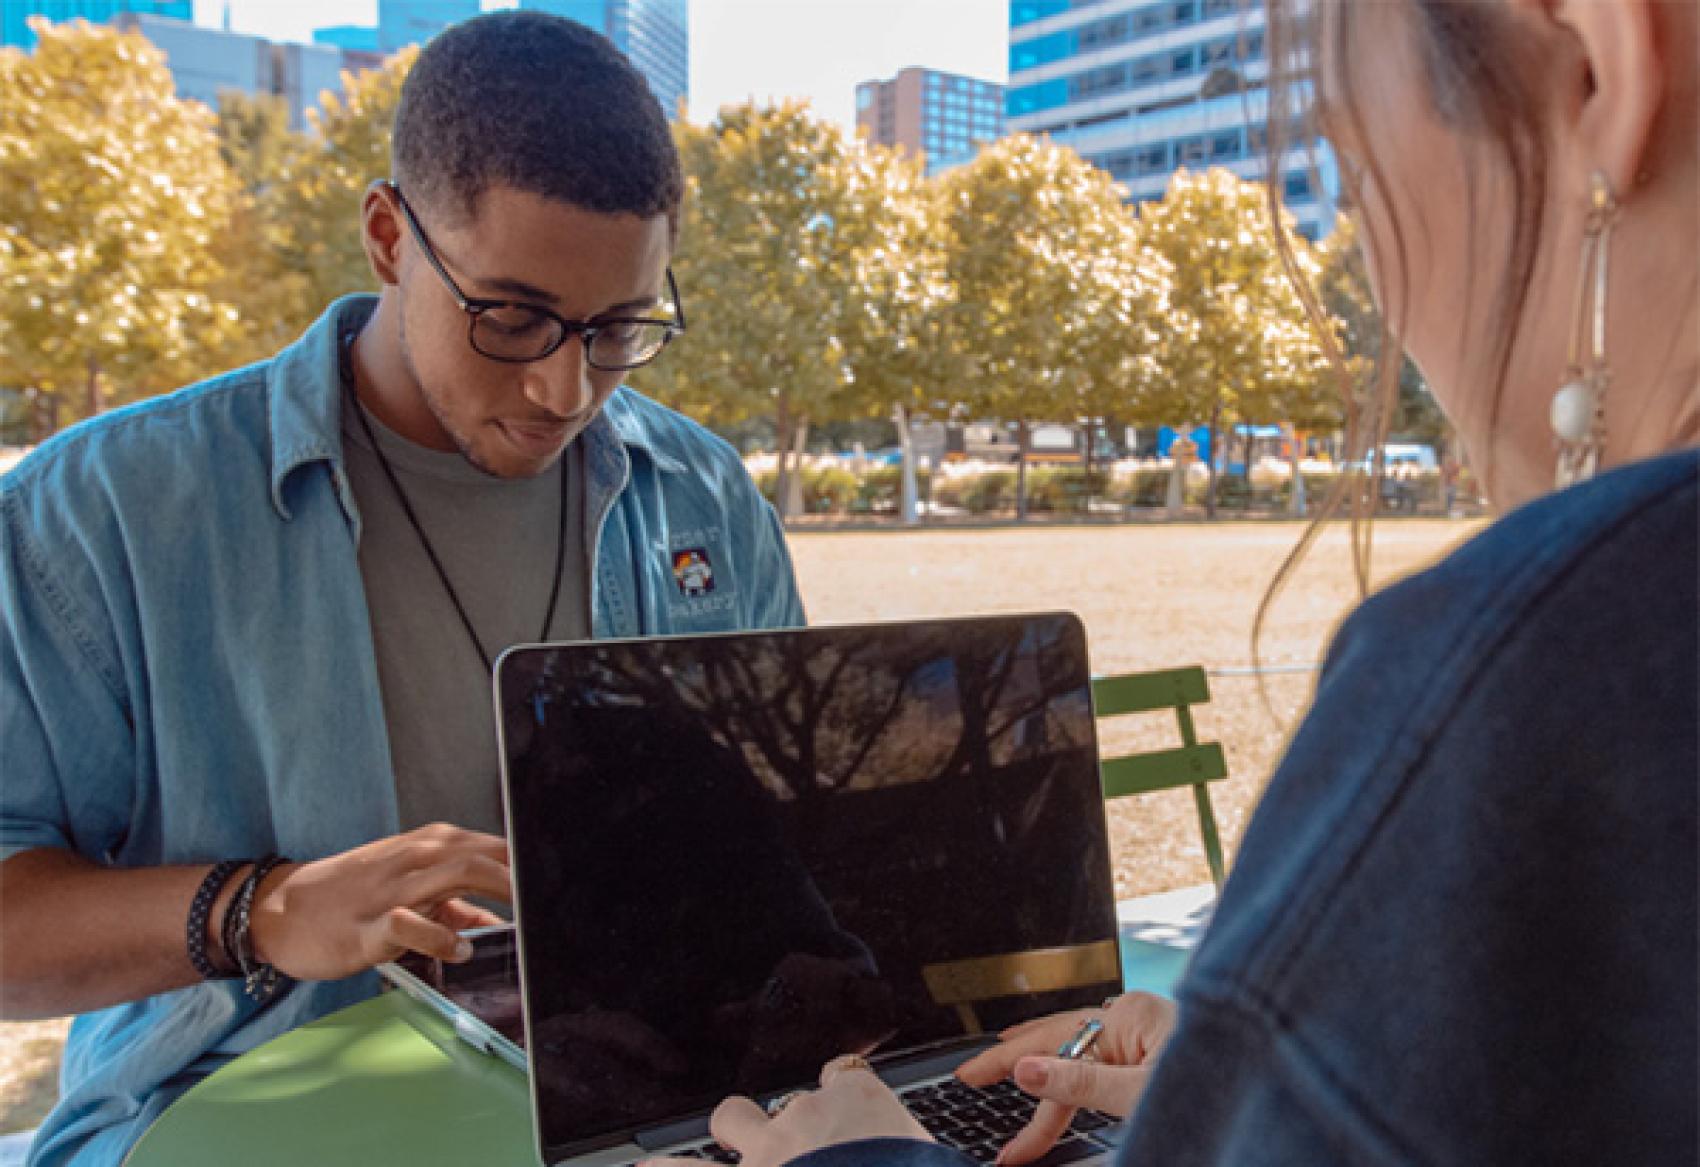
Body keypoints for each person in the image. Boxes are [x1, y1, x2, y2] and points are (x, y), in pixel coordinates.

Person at [645, 1, 1698, 1164]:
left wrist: (858, 1159)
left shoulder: (1529, 677)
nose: (1376, 292)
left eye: (1349, 165)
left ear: (1601, 60)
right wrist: (1248, 1086)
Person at [0, 13, 803, 1166]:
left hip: (651, 1106)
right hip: (235, 1119)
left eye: (620, 327)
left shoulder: (704, 496)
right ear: (388, 237)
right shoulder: (107, 509)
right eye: (511, 316)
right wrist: (263, 911)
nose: (566, 387)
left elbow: (778, 843)